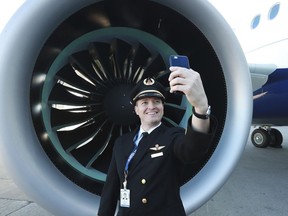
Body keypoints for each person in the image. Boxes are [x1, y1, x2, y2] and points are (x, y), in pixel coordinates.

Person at [97, 66, 217, 216]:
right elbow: (110, 191)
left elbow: (192, 149)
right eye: (144, 102)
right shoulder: (122, 142)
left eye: (156, 102)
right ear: (136, 109)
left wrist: (200, 108)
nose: (151, 107)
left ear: (163, 107)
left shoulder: (173, 136)